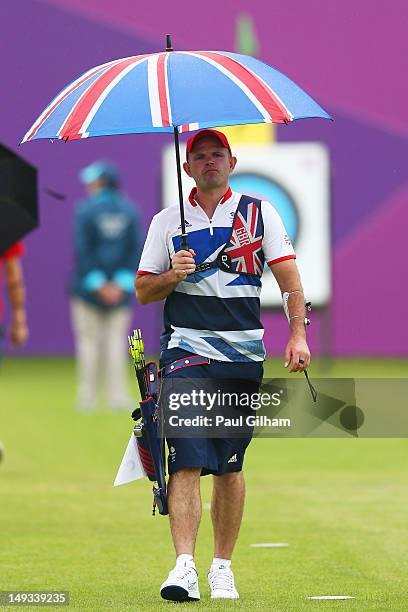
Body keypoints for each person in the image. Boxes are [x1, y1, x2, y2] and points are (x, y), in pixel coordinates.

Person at [135, 129, 310, 602]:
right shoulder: (167, 220)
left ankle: (222, 567)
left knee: (230, 467)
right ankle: (184, 567)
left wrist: (297, 333)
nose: (209, 163)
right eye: (200, 157)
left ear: (231, 162)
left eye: (218, 155)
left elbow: (290, 279)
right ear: (187, 168)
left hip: (242, 356)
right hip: (186, 351)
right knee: (187, 459)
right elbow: (144, 290)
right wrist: (174, 273)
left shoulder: (259, 211)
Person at [70, 161, 141, 411]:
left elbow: (82, 250)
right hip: (120, 291)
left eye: (93, 181)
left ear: (102, 182)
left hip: (87, 289)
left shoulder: (86, 210)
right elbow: (135, 251)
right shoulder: (130, 210)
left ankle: (87, 397)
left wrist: (98, 284)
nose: (89, 186)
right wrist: (119, 284)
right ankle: (117, 397)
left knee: (89, 343)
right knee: (115, 342)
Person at [0, 241, 29, 357]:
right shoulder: (4, 227)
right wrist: (19, 319)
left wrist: (19, 319)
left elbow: (13, 278)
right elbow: (13, 276)